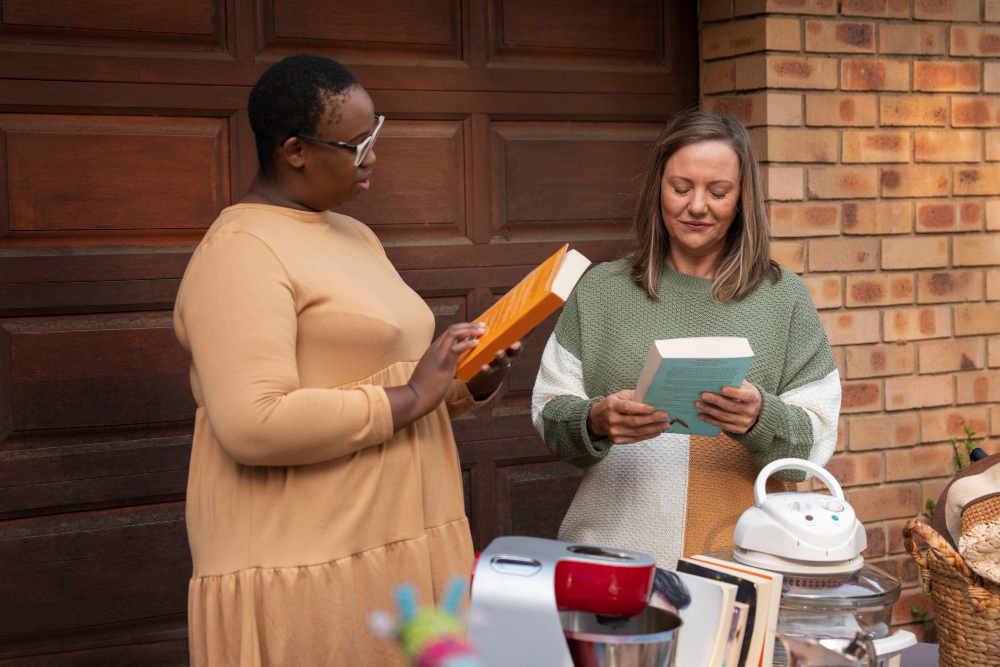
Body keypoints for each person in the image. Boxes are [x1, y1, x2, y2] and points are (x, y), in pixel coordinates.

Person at [174, 54, 519, 667]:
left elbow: (387, 376)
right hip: (313, 566)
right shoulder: (240, 253)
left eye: (374, 135)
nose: (373, 156)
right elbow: (252, 423)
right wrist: (414, 396)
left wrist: (465, 380)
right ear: (295, 150)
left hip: (405, 545)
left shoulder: (354, 235)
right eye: (356, 143)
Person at [531, 110, 840, 569]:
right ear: (658, 189)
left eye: (718, 191)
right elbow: (547, 411)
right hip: (615, 560)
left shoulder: (783, 297)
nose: (697, 205)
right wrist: (594, 421)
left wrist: (761, 417)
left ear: (742, 199)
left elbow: (814, 447)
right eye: (681, 188)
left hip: (747, 563)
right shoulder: (602, 290)